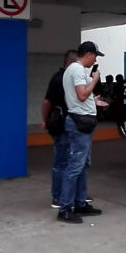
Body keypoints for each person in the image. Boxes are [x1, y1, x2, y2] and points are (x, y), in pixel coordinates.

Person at [57, 41, 104, 224]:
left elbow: (83, 97)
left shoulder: (73, 70)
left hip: (81, 121)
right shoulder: (77, 70)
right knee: (75, 166)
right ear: (89, 54)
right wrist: (95, 80)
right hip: (79, 124)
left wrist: (95, 101)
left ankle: (80, 202)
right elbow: (81, 95)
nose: (95, 60)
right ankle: (65, 208)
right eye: (95, 56)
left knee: (82, 165)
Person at [41, 50, 78, 209]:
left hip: (69, 125)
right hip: (60, 126)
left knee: (70, 162)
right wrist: (45, 120)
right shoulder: (59, 79)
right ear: (70, 63)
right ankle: (57, 196)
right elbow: (46, 103)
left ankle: (69, 195)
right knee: (61, 162)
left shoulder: (69, 79)